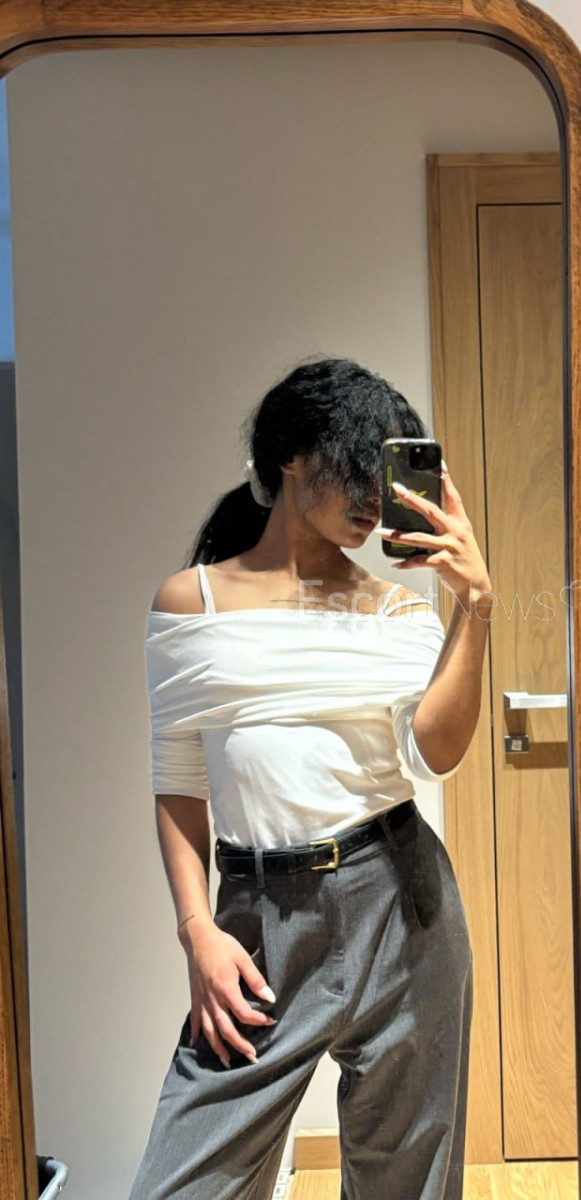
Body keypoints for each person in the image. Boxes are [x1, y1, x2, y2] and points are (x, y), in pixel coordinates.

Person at [127, 356, 494, 1200]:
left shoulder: (398, 610)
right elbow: (178, 778)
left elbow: (434, 755)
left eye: (385, 473)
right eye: (356, 466)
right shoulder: (191, 604)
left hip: (402, 905)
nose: (373, 496)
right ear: (291, 455)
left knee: (407, 1182)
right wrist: (196, 929)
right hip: (259, 920)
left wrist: (473, 607)